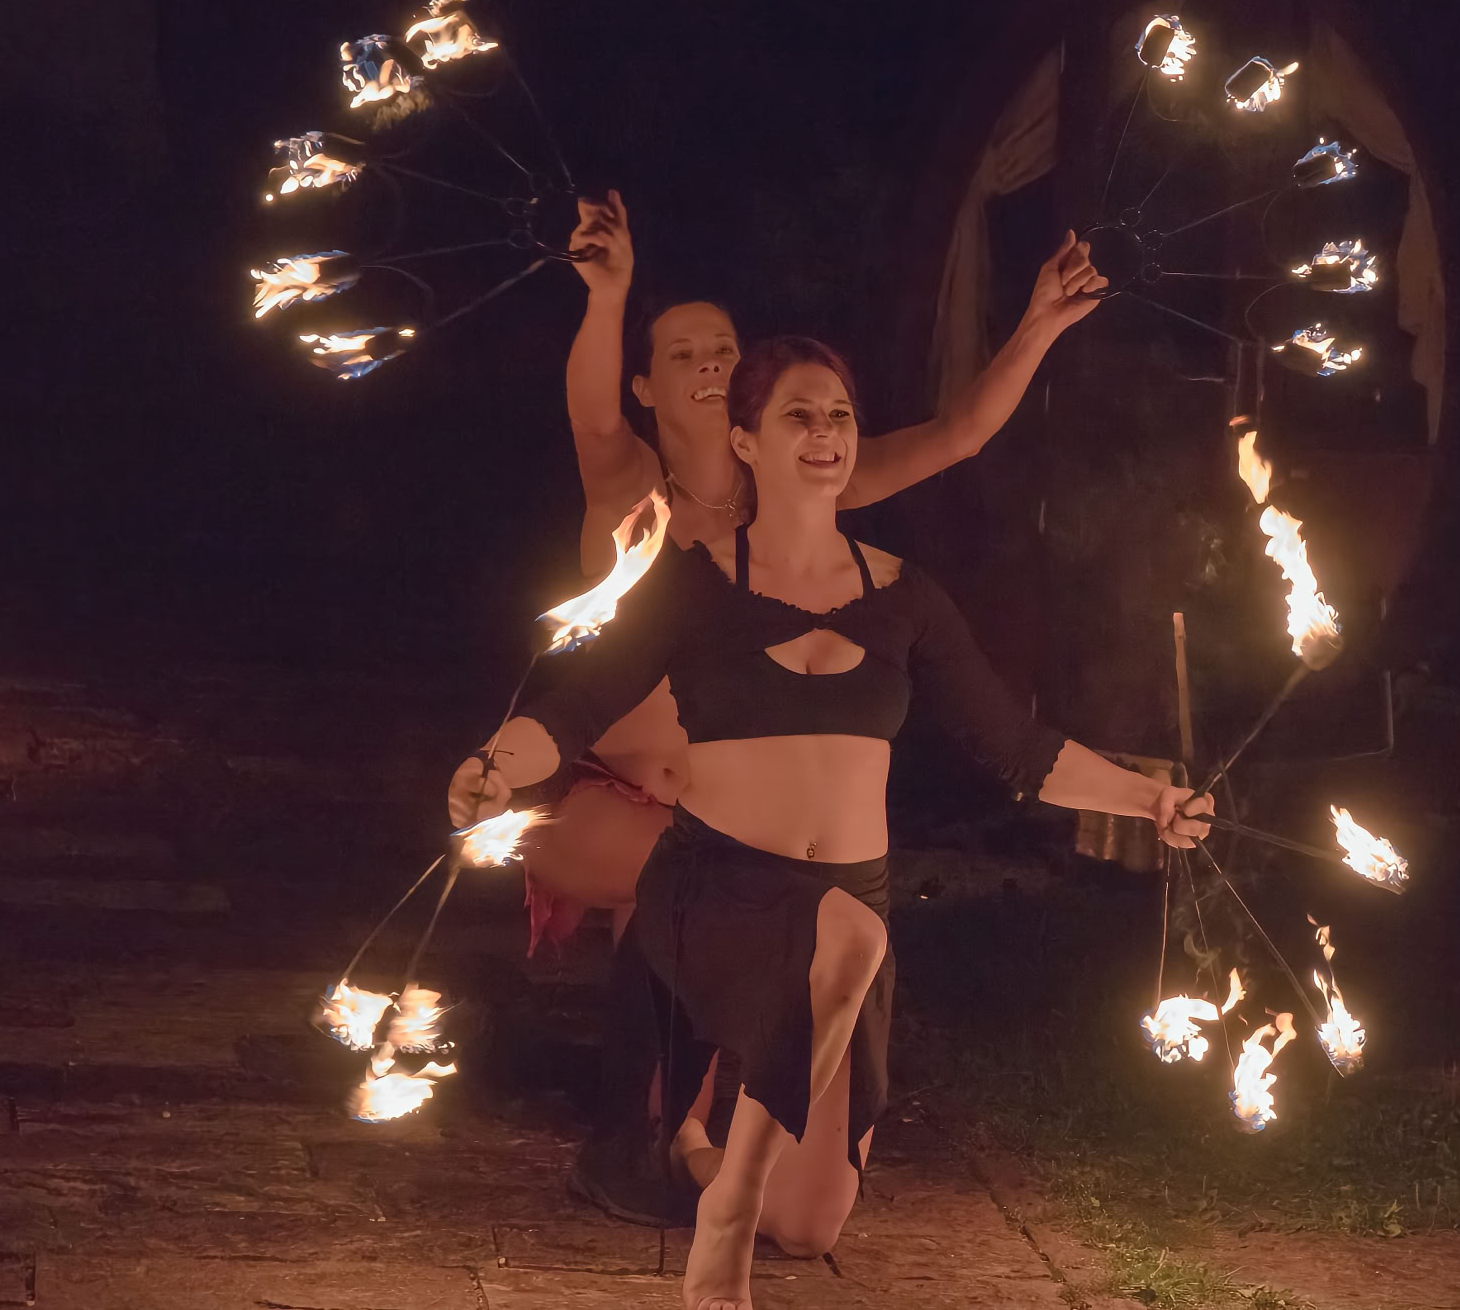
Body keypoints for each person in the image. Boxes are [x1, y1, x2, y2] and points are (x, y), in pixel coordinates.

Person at [451, 338, 1210, 1310]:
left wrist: (1150, 801)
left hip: (850, 897)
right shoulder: (690, 582)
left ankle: (695, 1150)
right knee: (848, 938)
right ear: (746, 441)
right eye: (798, 416)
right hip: (716, 894)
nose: (825, 434)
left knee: (810, 1226)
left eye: (840, 415)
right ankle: (726, 1208)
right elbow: (573, 707)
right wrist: (494, 766)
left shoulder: (906, 596)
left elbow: (1016, 747)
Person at [513, 190, 1107, 951]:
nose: (710, 363)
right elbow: (592, 420)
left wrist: (1042, 322)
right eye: (682, 355)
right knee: (741, 892)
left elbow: (959, 434)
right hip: (609, 808)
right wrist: (607, 295)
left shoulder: (800, 483)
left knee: (690, 986)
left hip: (728, 821)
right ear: (645, 388)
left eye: (724, 349)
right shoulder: (629, 487)